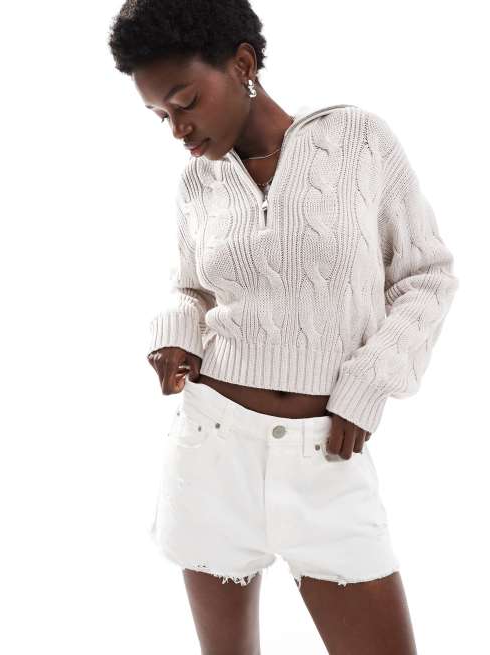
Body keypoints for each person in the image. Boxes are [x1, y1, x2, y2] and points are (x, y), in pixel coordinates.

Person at [108, 1, 459, 653]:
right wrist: (175, 330)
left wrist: (369, 381)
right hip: (212, 448)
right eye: (161, 116)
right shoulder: (198, 182)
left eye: (185, 102)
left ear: (242, 64)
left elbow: (426, 275)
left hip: (327, 457)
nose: (178, 130)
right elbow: (190, 285)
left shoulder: (358, 140)